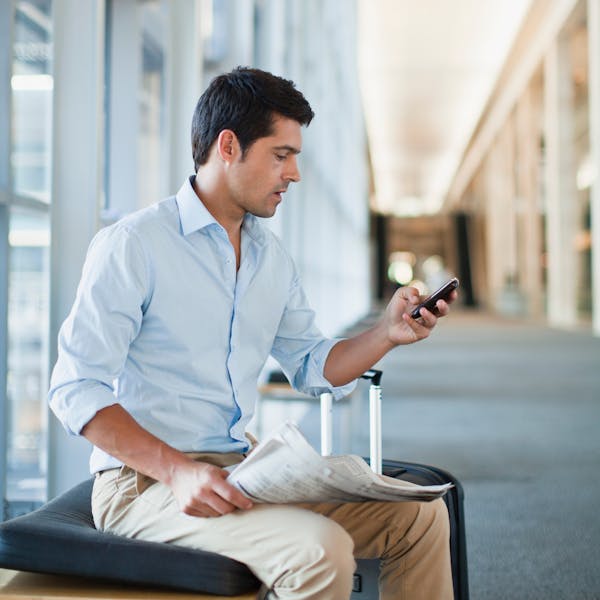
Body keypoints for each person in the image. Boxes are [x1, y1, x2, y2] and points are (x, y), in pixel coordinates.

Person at [48, 67, 456, 600]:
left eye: (296, 158)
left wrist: (386, 332)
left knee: (420, 519)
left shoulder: (270, 257)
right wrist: (179, 473)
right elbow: (75, 388)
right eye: (281, 155)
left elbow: (313, 365)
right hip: (144, 484)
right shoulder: (134, 244)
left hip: (243, 471)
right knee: (319, 549)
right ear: (229, 146)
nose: (294, 175)